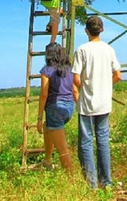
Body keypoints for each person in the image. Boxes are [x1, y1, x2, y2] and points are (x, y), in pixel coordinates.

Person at [72, 15, 122, 189]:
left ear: (86, 30)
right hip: (104, 102)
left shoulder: (82, 50)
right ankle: (106, 182)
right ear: (102, 29)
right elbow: (118, 75)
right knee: (103, 141)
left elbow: (76, 79)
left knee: (86, 142)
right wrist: (105, 84)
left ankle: (91, 185)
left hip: (87, 103)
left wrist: (87, 86)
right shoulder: (109, 49)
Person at [37, 42, 78, 173]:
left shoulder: (47, 70)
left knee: (62, 147)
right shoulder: (69, 69)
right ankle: (47, 160)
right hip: (69, 108)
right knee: (46, 126)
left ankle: (70, 177)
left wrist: (38, 117)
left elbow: (44, 93)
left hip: (54, 108)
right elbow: (75, 90)